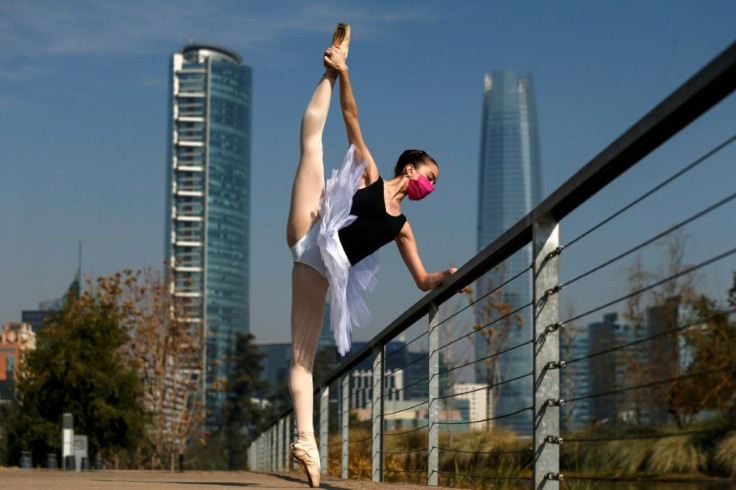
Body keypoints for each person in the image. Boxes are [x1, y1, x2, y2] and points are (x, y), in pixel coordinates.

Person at [286, 24, 458, 487]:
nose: (431, 186)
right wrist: (342, 73)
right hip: (311, 230)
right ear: (411, 168)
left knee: (302, 362)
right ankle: (328, 65)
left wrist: (448, 276)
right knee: (313, 147)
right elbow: (352, 118)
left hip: (320, 269)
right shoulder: (373, 178)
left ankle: (306, 442)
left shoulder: (404, 228)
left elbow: (422, 279)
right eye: (431, 177)